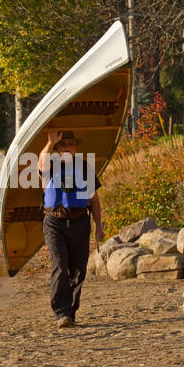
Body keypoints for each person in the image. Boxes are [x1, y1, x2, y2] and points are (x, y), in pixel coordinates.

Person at [38, 130, 105, 328]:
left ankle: (71, 313)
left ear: (76, 147)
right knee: (60, 265)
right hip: (54, 222)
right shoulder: (51, 165)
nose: (67, 146)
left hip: (79, 222)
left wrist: (99, 225)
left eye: (71, 143)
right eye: (63, 144)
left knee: (78, 270)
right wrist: (50, 143)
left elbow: (93, 198)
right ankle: (61, 313)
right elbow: (41, 163)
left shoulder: (84, 167)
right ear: (58, 148)